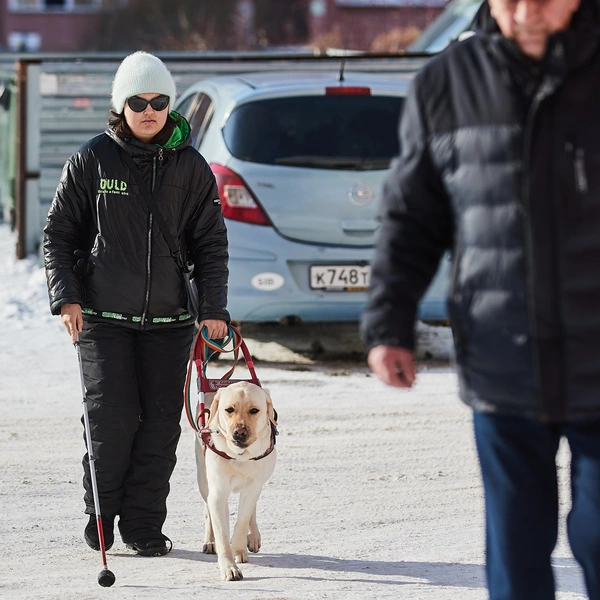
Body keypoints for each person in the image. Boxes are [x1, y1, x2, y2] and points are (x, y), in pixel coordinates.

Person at [361, 1, 600, 598]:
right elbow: (411, 217)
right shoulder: (447, 82)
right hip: (502, 361)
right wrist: (389, 323)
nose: (526, 11)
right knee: (516, 555)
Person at [43, 51, 229, 557]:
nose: (149, 110)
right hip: (103, 317)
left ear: (169, 104)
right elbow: (58, 233)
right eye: (138, 101)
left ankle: (145, 525)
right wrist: (67, 298)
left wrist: (213, 307)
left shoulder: (192, 168)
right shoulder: (92, 160)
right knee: (111, 418)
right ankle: (102, 517)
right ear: (120, 105)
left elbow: (211, 243)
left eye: (159, 101)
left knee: (162, 423)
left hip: (171, 321)